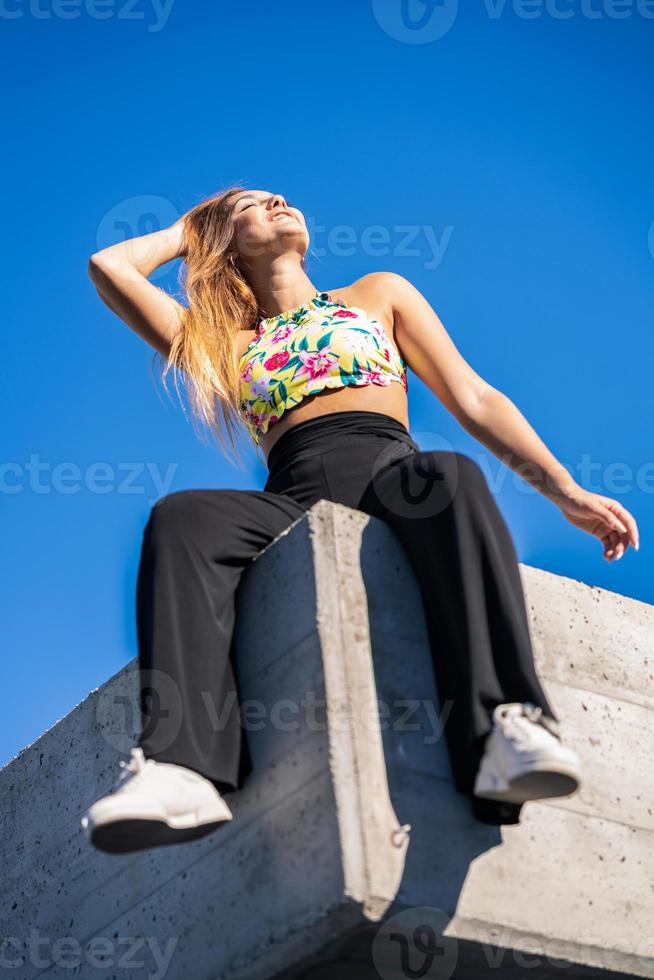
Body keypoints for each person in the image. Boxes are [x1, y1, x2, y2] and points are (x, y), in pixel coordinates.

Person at [81, 186, 639, 854]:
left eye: (276, 197)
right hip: (291, 494)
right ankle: (181, 768)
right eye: (252, 206)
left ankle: (505, 725)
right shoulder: (222, 343)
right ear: (225, 240)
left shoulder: (377, 293)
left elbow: (474, 395)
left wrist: (564, 490)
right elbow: (111, 267)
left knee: (450, 474)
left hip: (393, 474)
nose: (278, 200)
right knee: (182, 516)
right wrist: (195, 225)